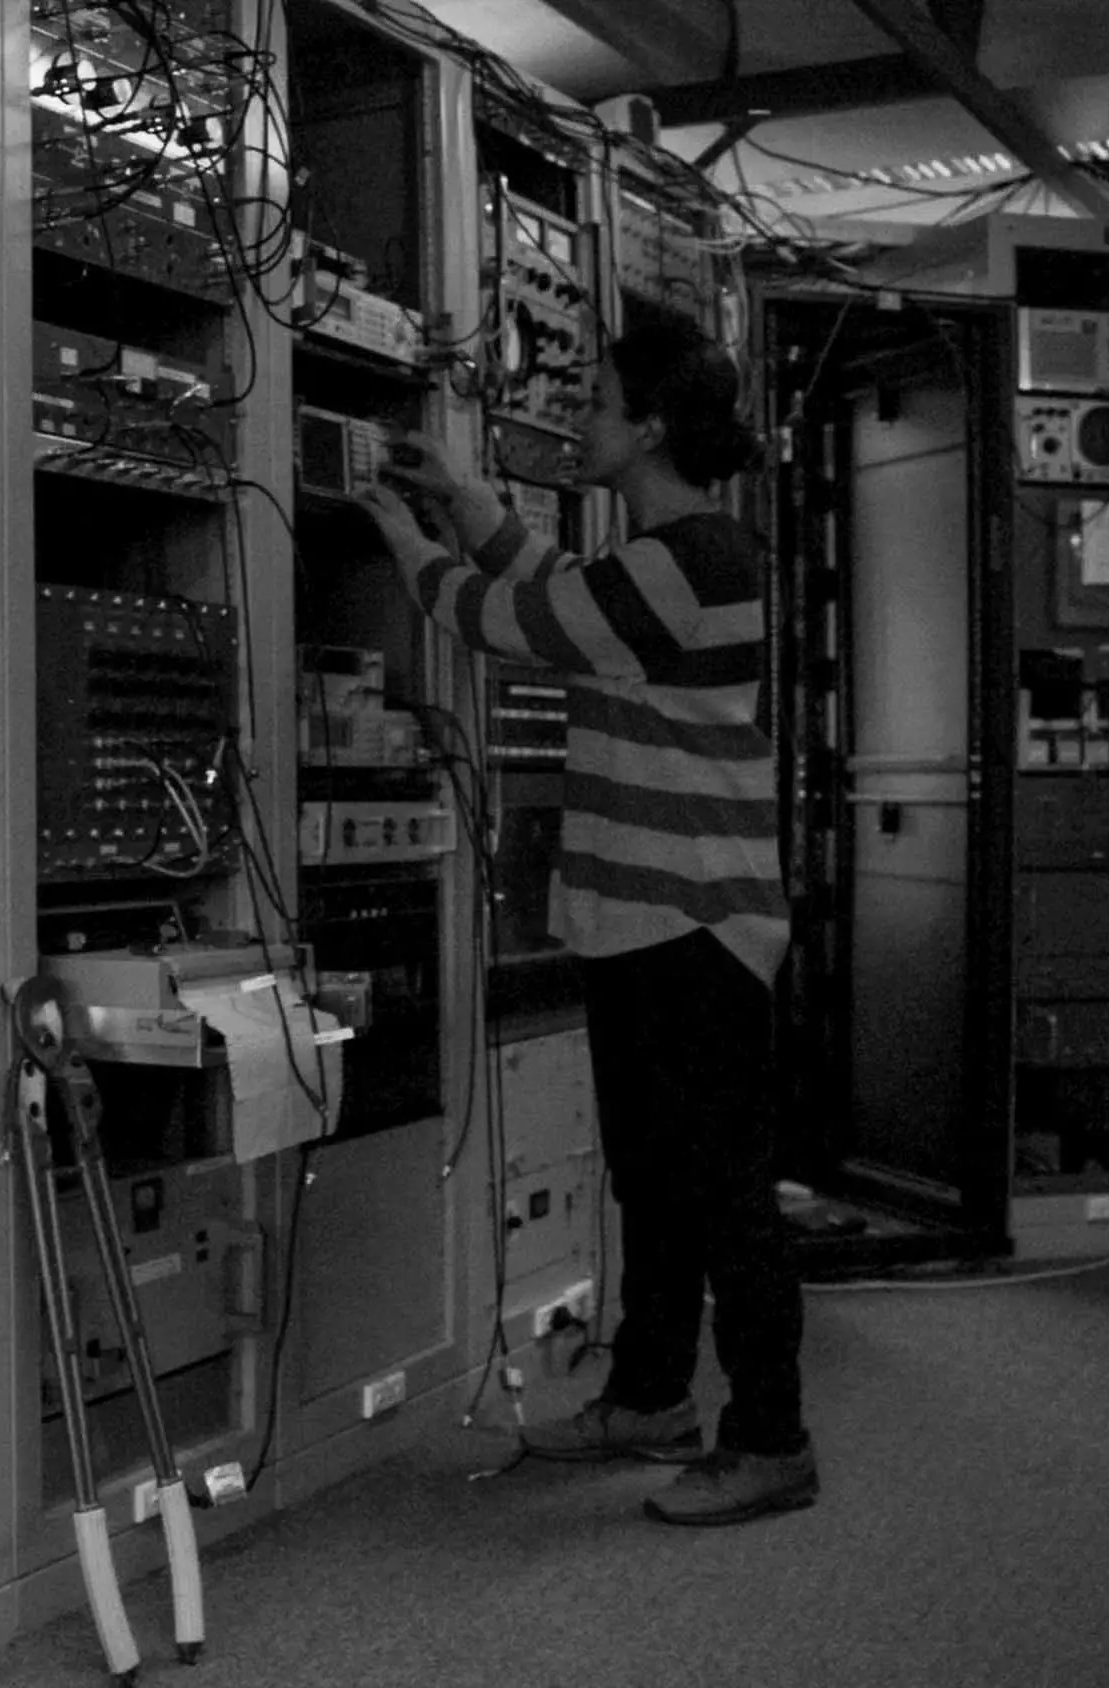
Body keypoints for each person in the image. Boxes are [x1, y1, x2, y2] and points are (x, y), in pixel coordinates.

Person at [354, 303, 814, 1527]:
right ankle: (652, 1396)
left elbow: (518, 621)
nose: (581, 417)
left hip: (695, 927)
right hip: (640, 922)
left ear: (654, 425)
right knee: (657, 1184)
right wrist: (461, 493)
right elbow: (566, 584)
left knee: (724, 1195)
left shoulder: (698, 559)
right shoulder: (666, 559)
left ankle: (772, 1438)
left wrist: (406, 536)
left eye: (601, 401)